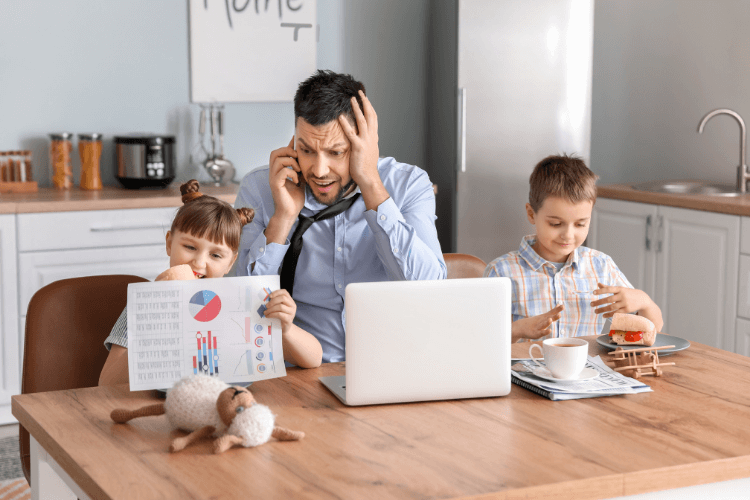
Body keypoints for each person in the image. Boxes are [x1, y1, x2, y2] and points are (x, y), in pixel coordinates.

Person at [234, 70, 446, 363]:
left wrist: (371, 184)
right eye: (307, 150)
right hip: (296, 369)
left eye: (336, 152)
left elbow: (431, 291)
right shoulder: (261, 188)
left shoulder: (408, 185)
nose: (319, 170)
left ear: (364, 142)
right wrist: (283, 218)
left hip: (390, 363)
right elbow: (238, 309)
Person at [99, 180, 323, 386]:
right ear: (169, 243)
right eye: (190, 247)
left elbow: (313, 359)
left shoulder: (242, 305)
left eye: (216, 255)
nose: (199, 262)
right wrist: (153, 326)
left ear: (230, 262)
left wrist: (286, 328)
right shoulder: (145, 305)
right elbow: (107, 383)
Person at [484, 154, 663, 341]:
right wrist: (516, 329)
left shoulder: (601, 266)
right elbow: (479, 341)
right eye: (555, 224)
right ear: (531, 214)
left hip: (591, 369)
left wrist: (645, 302)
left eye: (580, 224)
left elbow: (643, 335)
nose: (568, 235)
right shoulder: (501, 272)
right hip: (522, 369)